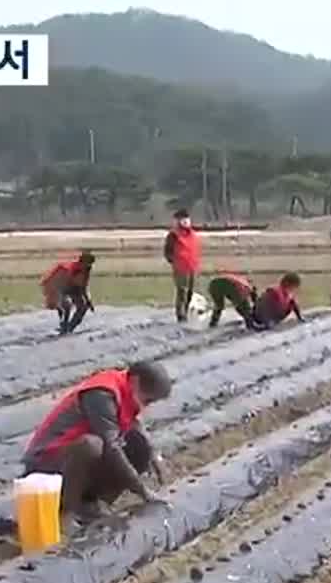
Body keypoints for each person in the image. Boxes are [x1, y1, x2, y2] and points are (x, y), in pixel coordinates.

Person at [22, 360, 173, 521]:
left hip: (71, 463)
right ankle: (68, 511)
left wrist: (156, 461)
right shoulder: (102, 394)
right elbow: (112, 446)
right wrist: (142, 491)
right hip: (45, 466)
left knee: (139, 446)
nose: (147, 406)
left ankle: (92, 503)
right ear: (135, 381)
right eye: (148, 400)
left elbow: (138, 430)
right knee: (92, 445)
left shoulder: (126, 389)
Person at [40, 251, 96, 334]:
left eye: (90, 264)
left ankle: (70, 328)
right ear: (82, 262)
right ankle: (64, 326)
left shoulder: (85, 271)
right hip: (59, 287)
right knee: (66, 306)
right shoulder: (68, 269)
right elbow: (54, 285)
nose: (89, 266)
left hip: (72, 288)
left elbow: (83, 287)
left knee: (83, 307)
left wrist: (88, 301)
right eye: (87, 263)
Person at [164, 209, 202, 322]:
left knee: (190, 291)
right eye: (182, 219)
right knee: (182, 291)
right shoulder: (173, 235)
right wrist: (174, 261)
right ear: (177, 221)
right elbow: (168, 251)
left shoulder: (193, 234)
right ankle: (181, 315)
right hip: (180, 267)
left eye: (186, 219)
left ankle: (186, 311)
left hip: (192, 267)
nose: (185, 221)